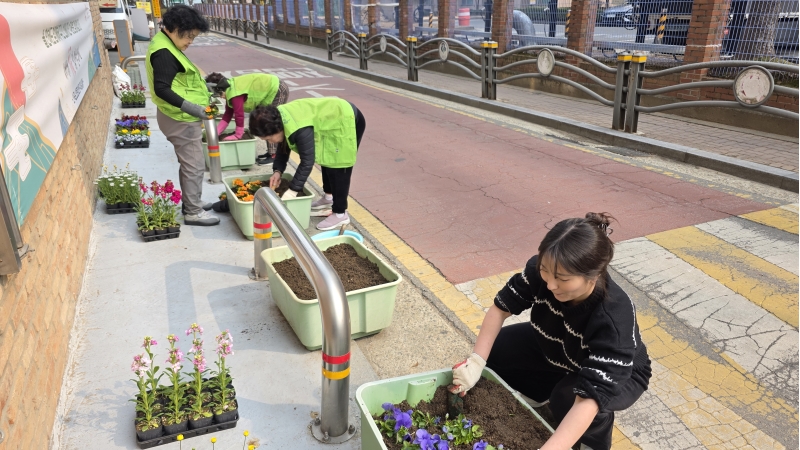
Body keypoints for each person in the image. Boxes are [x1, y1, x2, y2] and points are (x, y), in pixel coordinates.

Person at [449, 213, 651, 450]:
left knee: (568, 397)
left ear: (594, 276)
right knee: (498, 348)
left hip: (622, 375)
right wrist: (476, 361)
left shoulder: (613, 318)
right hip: (563, 346)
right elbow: (500, 309)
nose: (551, 285)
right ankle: (538, 392)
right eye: (546, 271)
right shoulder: (542, 270)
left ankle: (591, 444)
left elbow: (590, 398)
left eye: (562, 279)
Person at [146, 5, 218, 226]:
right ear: (175, 28)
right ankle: (193, 212)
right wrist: (195, 109)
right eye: (189, 36)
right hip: (180, 119)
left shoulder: (166, 43)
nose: (191, 42)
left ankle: (191, 202)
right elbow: (162, 88)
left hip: (177, 117)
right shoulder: (164, 53)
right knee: (195, 165)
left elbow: (180, 80)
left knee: (189, 164)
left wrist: (205, 86)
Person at [248, 97, 366, 231]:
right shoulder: (278, 119)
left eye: (269, 139)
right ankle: (328, 198)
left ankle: (340, 214)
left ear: (277, 130)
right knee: (327, 159)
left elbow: (307, 162)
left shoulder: (299, 128)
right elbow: (283, 146)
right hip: (330, 121)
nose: (270, 142)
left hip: (346, 118)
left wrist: (292, 191)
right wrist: (278, 171)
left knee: (339, 166)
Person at [203, 72, 290, 165]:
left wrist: (238, 135)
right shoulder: (230, 88)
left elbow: (239, 115)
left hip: (277, 89)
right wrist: (215, 133)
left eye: (219, 94)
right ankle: (271, 152)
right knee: (264, 120)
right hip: (271, 89)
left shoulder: (235, 94)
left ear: (220, 89)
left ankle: (274, 155)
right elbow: (228, 114)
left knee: (270, 122)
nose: (220, 97)